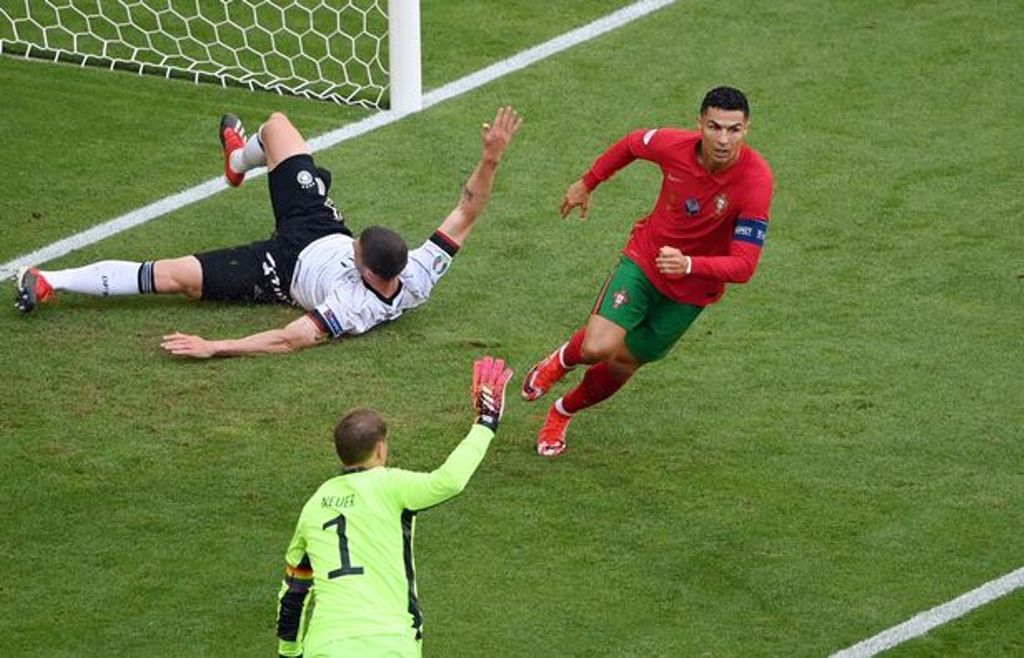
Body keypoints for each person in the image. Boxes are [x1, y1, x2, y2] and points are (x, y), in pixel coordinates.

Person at [14, 107, 522, 359]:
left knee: (174, 277)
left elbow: (287, 338)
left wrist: (215, 346)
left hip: (280, 269)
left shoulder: (350, 309)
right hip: (317, 226)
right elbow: (466, 212)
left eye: (356, 249)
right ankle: (238, 159)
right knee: (278, 126)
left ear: (364, 268)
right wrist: (491, 157)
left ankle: (49, 280)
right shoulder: (418, 274)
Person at [521, 86, 774, 457]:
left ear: (747, 129)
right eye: (715, 127)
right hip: (645, 260)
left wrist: (689, 264)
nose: (723, 139)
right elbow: (632, 144)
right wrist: (587, 182)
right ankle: (561, 360)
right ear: (699, 124)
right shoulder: (673, 145)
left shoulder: (756, 181)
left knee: (624, 361)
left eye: (733, 130)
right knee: (597, 346)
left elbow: (745, 265)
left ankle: (562, 412)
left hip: (691, 292)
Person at [275, 355, 513, 658]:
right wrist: (486, 423)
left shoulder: (315, 505)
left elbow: (294, 590)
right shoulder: (392, 486)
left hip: (326, 646)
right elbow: (451, 480)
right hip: (389, 644)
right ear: (381, 448)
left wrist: (289, 651)